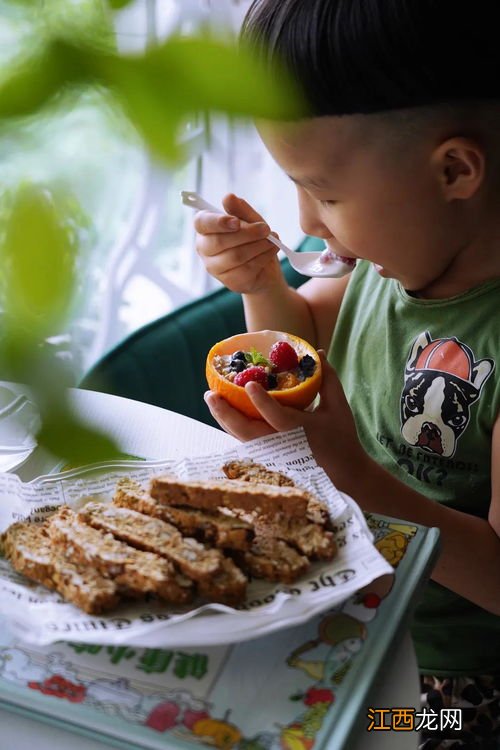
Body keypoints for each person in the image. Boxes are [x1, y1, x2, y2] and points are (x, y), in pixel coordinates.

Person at [194, 1, 500, 747]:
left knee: (345, 730)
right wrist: (263, 287)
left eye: (326, 193)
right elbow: (301, 343)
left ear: (455, 170)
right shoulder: (389, 266)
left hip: (458, 690)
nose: (308, 219)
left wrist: (346, 470)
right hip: (353, 615)